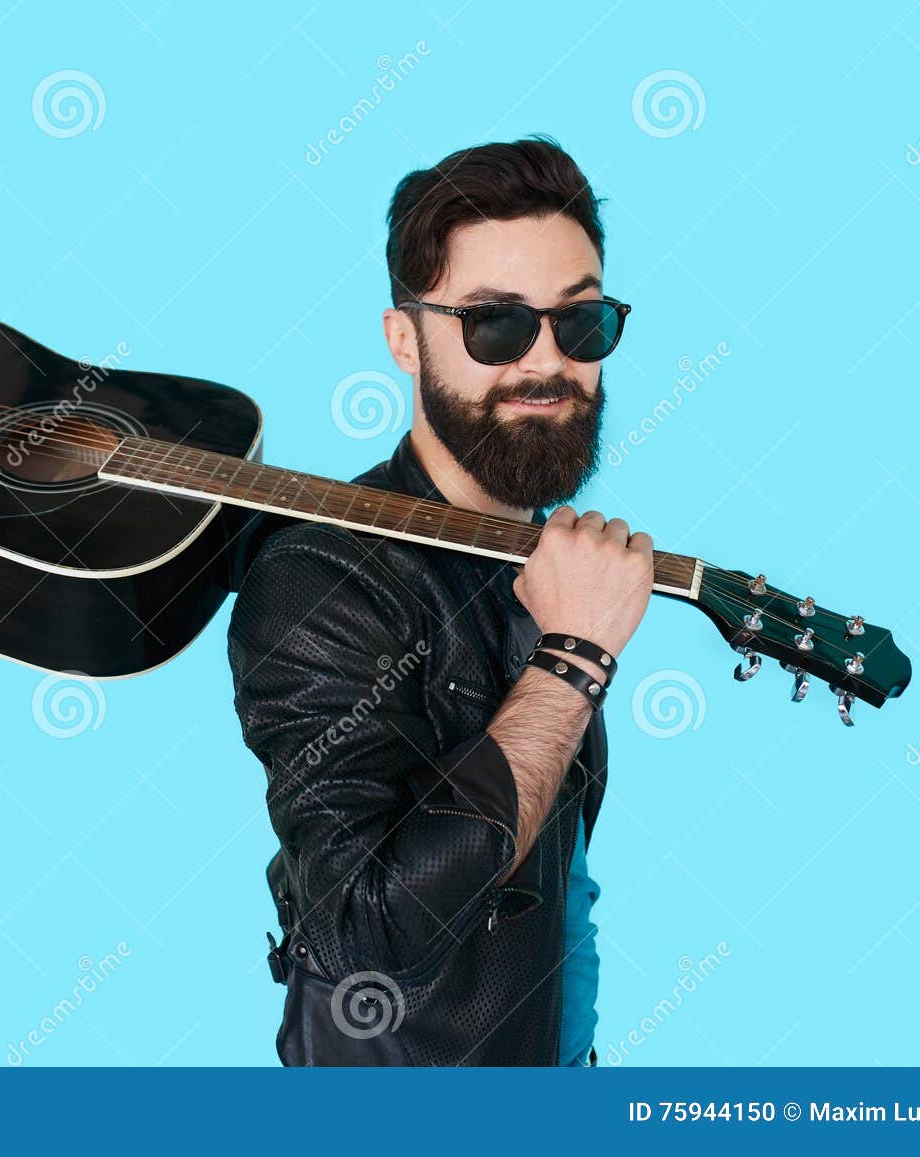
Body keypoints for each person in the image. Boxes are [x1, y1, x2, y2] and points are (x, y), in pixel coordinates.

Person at [228, 136, 653, 1066]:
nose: (546, 362)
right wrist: (574, 658)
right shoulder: (319, 576)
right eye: (495, 325)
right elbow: (365, 941)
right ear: (404, 338)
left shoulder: (548, 573)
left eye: (580, 324)